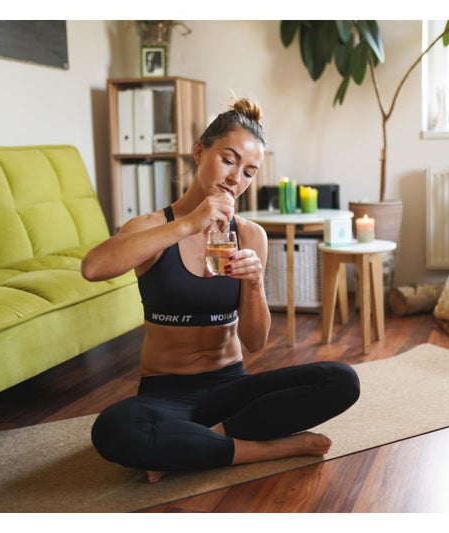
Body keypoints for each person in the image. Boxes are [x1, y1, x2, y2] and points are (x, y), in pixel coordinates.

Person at [82, 97, 360, 482]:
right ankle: (265, 449)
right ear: (200, 152)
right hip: (165, 396)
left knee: (341, 380)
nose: (235, 179)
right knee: (112, 430)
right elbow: (93, 267)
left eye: (249, 172)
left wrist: (254, 283)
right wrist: (188, 224)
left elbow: (256, 343)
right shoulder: (153, 228)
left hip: (230, 388)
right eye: (228, 160)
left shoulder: (250, 235)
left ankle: (198, 444)